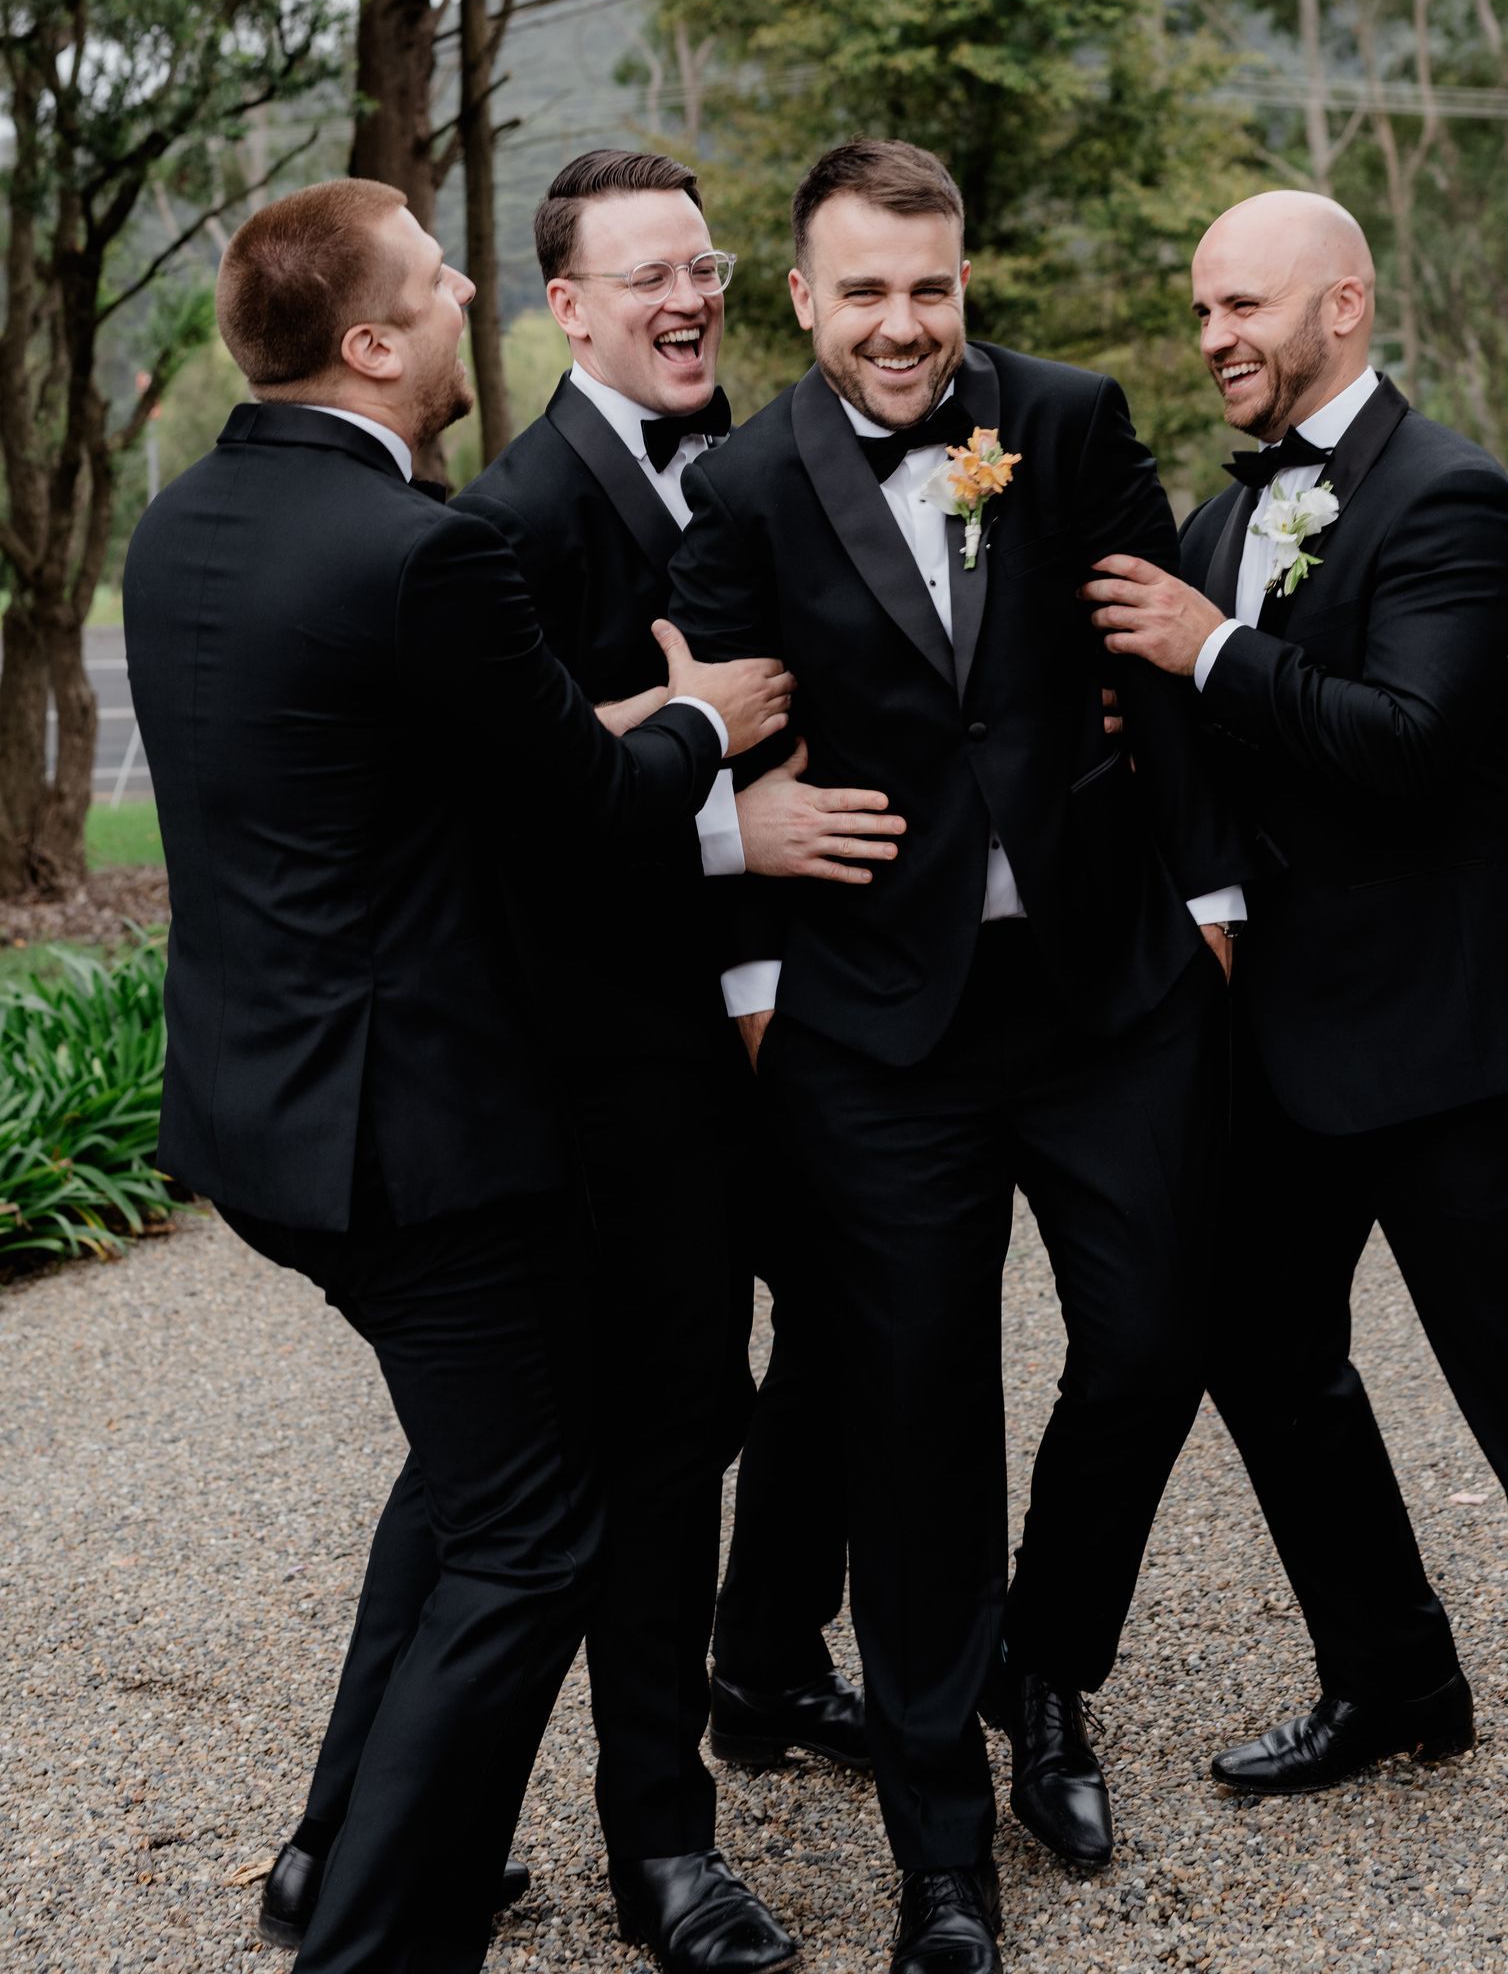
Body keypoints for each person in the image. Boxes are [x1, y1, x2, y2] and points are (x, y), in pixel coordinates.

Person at [124, 179, 791, 1974]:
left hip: (264, 1114)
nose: (462, 292)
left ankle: (341, 1851)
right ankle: (369, 1935)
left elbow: (419, 765)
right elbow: (573, 819)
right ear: (370, 341)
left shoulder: (184, 527)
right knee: (527, 1543)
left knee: (482, 1481)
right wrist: (708, 736)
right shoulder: (431, 548)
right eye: (436, 281)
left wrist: (629, 726)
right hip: (418, 1136)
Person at [279, 148, 886, 1974]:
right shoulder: (509, 527)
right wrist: (732, 839)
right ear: (569, 312)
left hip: (797, 1035)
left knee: (765, 1377)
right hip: (606, 1080)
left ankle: (744, 1672)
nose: (688, 299)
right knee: (642, 1445)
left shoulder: (778, 472)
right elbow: (504, 841)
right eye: (645, 279)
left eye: (703, 266)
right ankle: (663, 1851)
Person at [1081, 188, 1508, 1938]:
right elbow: (1201, 748)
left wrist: (1209, 653)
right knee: (1262, 1360)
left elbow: (1418, 748)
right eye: (1200, 308)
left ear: (1341, 304)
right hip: (1270, 1054)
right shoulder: (1219, 513)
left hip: (1448, 1052)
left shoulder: (1453, 500)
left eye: (1244, 306)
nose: (1214, 338)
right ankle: (1399, 1678)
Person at [670, 140, 1243, 1974]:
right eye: (866, 294)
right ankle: (944, 1854)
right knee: (917, 1424)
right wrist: (755, 965)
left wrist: (1210, 890)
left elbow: (1151, 664)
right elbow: (720, 739)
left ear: (963, 283)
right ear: (804, 299)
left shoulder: (1067, 422)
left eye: (933, 290)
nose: (904, 326)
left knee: (1156, 1340)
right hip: (872, 1026)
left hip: (1100, 993)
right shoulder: (743, 484)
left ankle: (1045, 1665)